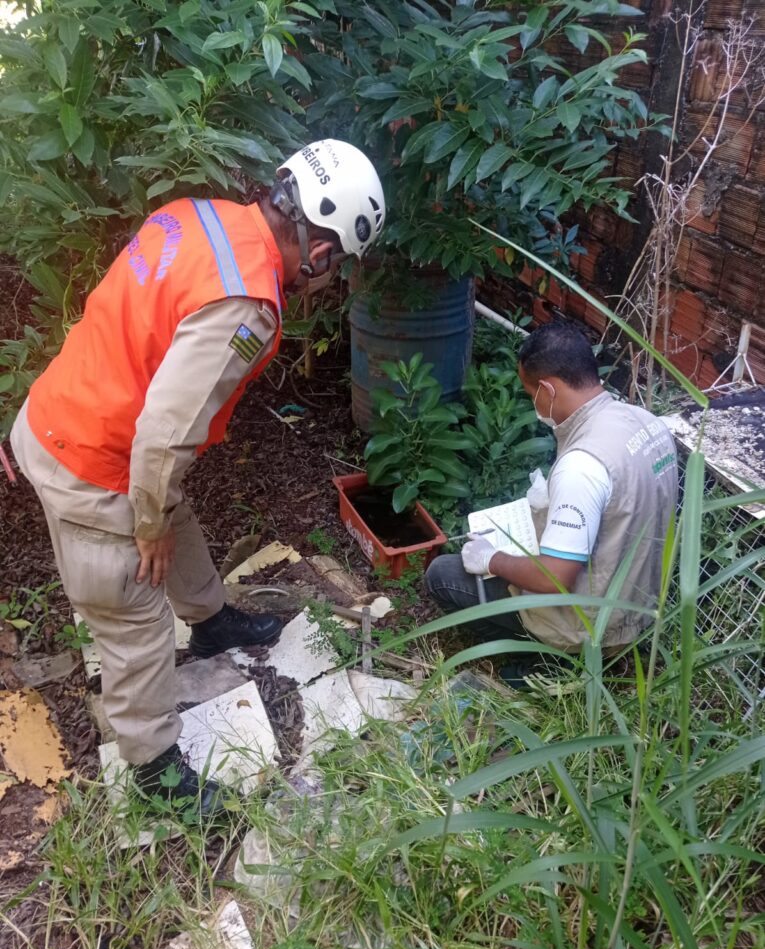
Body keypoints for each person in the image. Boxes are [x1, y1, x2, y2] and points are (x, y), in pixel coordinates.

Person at [10, 139, 386, 814]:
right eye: (337, 268)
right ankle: (156, 769)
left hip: (63, 411)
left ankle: (210, 619)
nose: (329, 278)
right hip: (95, 462)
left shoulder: (203, 216)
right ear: (323, 252)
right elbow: (163, 435)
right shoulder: (246, 303)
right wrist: (144, 523)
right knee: (134, 617)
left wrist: (160, 512)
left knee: (172, 519)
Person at [426, 321, 678, 680]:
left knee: (443, 574)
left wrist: (493, 559)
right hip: (638, 606)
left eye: (531, 394)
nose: (534, 404)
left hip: (591, 628)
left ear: (547, 389)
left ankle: (551, 665)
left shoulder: (582, 465)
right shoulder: (646, 422)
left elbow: (554, 578)